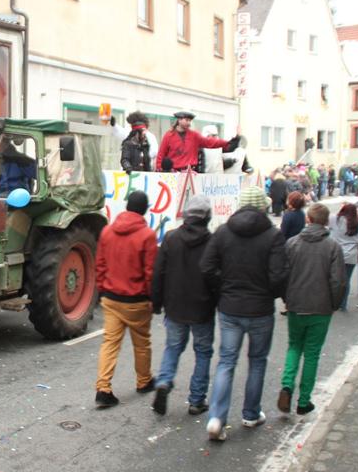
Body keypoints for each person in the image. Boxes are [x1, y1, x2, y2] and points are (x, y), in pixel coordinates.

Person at [201, 187, 288, 441]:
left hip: (230, 307)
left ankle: (217, 418)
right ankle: (250, 414)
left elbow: (206, 267)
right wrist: (269, 293)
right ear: (263, 206)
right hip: (260, 308)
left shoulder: (223, 231)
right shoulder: (273, 235)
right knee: (257, 361)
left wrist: (223, 287)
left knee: (226, 362)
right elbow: (279, 275)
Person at [151, 195, 217, 416]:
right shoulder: (212, 242)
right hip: (202, 308)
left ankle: (164, 381)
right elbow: (216, 276)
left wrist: (156, 302)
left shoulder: (171, 238)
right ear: (207, 217)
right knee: (203, 353)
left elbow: (158, 273)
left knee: (172, 348)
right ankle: (196, 400)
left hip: (175, 306)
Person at [278, 204, 346, 416]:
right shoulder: (333, 247)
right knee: (312, 353)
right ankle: (304, 400)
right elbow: (338, 281)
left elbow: (283, 274)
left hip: (296, 304)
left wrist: (287, 298)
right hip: (321, 307)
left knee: (294, 346)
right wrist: (334, 304)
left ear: (308, 219)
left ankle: (287, 384)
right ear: (325, 222)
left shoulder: (292, 243)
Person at [94, 190, 158, 408]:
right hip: (136, 301)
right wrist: (152, 298)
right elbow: (150, 272)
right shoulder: (147, 235)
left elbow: (100, 264)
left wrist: (102, 289)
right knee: (142, 344)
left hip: (111, 298)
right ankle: (144, 381)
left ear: (127, 207)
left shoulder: (107, 231)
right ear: (145, 210)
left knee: (110, 343)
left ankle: (103, 388)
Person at [155, 111, 239, 172]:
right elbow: (161, 153)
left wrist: (227, 143)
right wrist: (159, 168)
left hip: (191, 172)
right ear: (179, 120)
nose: (189, 123)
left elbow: (209, 142)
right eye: (186, 120)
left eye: (190, 121)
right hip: (174, 173)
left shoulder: (194, 135)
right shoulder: (169, 135)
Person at [329, 203, 358, 311]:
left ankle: (332, 301)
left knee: (333, 278)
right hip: (351, 255)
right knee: (346, 280)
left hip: (335, 253)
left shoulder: (335, 219)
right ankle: (343, 303)